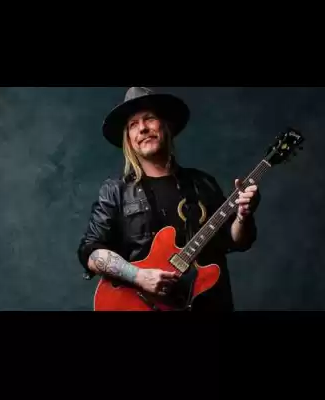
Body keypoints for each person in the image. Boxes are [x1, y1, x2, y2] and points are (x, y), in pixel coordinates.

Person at [77, 87, 261, 311]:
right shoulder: (115, 191)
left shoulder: (202, 183)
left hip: (208, 304)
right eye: (133, 125)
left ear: (167, 126)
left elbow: (237, 241)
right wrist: (138, 276)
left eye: (149, 119)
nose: (142, 128)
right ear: (129, 140)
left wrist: (243, 216)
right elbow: (90, 251)